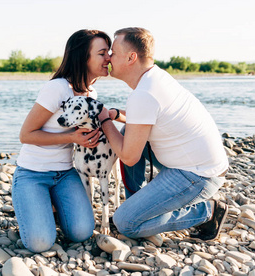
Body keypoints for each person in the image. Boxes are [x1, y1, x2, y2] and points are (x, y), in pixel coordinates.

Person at [98, 27, 229, 241]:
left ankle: (208, 212)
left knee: (126, 223)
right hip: (199, 165)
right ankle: (139, 204)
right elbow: (144, 118)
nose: (109, 57)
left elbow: (129, 157)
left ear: (131, 57)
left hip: (197, 176)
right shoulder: (155, 78)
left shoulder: (144, 93)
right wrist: (115, 115)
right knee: (126, 129)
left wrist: (104, 120)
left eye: (112, 51)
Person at [13, 29, 116, 253]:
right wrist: (70, 137)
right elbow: (26, 135)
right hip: (33, 174)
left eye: (108, 52)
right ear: (83, 58)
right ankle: (35, 202)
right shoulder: (57, 88)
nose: (109, 57)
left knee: (81, 233)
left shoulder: (91, 94)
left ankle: (52, 205)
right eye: (102, 53)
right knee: (40, 243)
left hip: (65, 174)